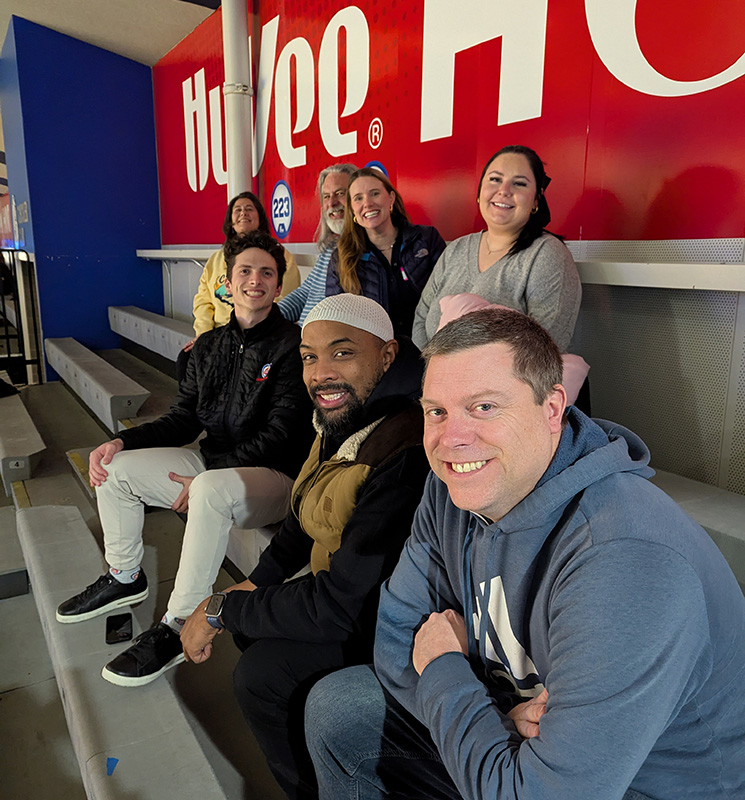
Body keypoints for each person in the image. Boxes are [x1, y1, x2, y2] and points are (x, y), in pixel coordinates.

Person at [306, 307, 745, 800]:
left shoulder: (627, 557)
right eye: (437, 411)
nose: (452, 438)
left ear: (552, 408)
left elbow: (537, 792)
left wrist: (447, 671)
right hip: (517, 735)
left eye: (484, 407)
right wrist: (495, 721)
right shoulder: (451, 485)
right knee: (340, 709)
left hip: (637, 784)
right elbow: (397, 637)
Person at [180, 294, 431, 800]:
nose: (320, 373)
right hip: (345, 601)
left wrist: (223, 607)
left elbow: (345, 607)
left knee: (261, 674)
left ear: (386, 355)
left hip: (384, 626)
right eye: (309, 356)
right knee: (256, 632)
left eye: (342, 353)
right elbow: (303, 515)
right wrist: (257, 582)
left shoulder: (403, 445)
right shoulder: (345, 420)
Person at [56, 231, 314, 688]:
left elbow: (280, 437)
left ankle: (178, 625)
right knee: (115, 470)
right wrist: (120, 442)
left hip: (274, 477)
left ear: (278, 288)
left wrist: (207, 476)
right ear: (227, 285)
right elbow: (182, 419)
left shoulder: (293, 345)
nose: (255, 280)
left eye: (266, 273)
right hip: (215, 463)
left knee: (211, 488)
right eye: (245, 272)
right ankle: (124, 575)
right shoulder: (209, 346)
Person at [412, 145, 581, 352]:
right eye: (495, 179)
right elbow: (422, 316)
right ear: (480, 191)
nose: (504, 190)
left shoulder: (547, 255)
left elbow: (545, 349)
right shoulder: (456, 249)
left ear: (536, 200)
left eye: (519, 183)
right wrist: (430, 375)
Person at [178, 191, 301, 379]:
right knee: (187, 359)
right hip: (220, 334)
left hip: (264, 335)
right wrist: (204, 337)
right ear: (231, 222)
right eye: (238, 210)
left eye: (249, 209)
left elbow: (289, 300)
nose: (243, 213)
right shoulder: (216, 260)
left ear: (260, 218)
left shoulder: (280, 256)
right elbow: (203, 302)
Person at [325, 167, 446, 338]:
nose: (367, 203)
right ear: (352, 209)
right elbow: (335, 320)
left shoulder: (427, 239)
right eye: (358, 198)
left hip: (429, 346)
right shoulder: (341, 258)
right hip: (374, 355)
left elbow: (447, 297)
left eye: (374, 194)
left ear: (391, 198)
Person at [278, 163, 357, 325]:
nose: (332, 203)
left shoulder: (363, 250)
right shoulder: (332, 246)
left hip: (320, 343)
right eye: (326, 196)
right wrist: (269, 318)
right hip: (301, 335)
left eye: (340, 193)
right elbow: (305, 293)